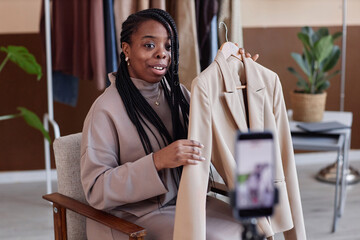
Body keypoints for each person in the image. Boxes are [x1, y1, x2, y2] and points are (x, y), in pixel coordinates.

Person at [80, 8, 258, 240]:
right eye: (149, 45)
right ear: (126, 49)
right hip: (132, 218)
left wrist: (239, 85)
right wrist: (157, 161)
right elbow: (96, 189)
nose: (162, 54)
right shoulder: (105, 109)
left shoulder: (179, 95)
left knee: (253, 228)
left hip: (188, 201)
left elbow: (216, 131)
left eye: (168, 46)